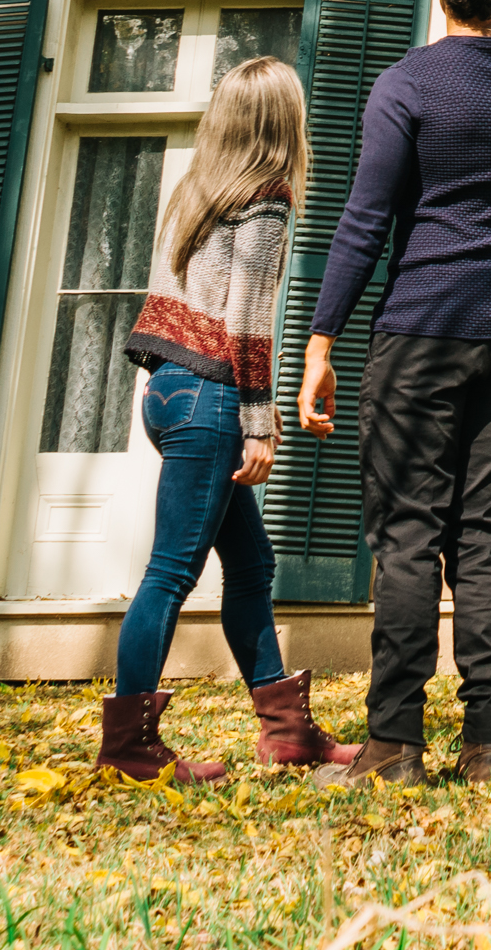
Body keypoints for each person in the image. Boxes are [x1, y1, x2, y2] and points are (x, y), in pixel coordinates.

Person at [297, 0, 491, 787]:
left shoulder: (407, 85)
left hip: (421, 331)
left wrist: (322, 337)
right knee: (478, 530)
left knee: (408, 533)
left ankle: (394, 743)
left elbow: (365, 222)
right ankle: (488, 740)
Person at [98, 54, 355, 782]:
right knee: (172, 571)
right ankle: (129, 747)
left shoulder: (198, 190)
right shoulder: (267, 198)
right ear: (284, 124)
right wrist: (260, 421)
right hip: (214, 396)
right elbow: (245, 322)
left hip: (167, 390)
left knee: (250, 562)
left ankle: (287, 732)